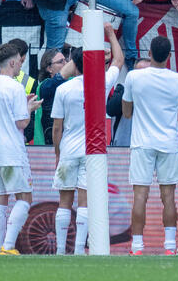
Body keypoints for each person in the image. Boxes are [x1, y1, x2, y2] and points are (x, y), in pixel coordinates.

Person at [51, 26, 123, 255]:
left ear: (74, 64)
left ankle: (61, 250)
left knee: (64, 201)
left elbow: (56, 127)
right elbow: (119, 61)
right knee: (85, 202)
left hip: (69, 149)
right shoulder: (101, 82)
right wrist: (111, 34)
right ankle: (79, 250)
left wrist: (57, 153)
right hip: (93, 150)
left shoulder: (63, 89)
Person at [122, 36, 178, 256]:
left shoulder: (134, 77)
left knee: (140, 195)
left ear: (149, 53)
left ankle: (137, 247)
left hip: (142, 143)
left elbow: (126, 112)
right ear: (169, 56)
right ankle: (170, 247)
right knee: (168, 197)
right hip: (168, 143)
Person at [0, 42, 42, 255]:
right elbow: (22, 123)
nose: (21, 65)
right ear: (11, 61)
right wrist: (28, 107)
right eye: (19, 60)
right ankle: (8, 246)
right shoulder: (15, 87)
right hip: (11, 152)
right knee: (24, 198)